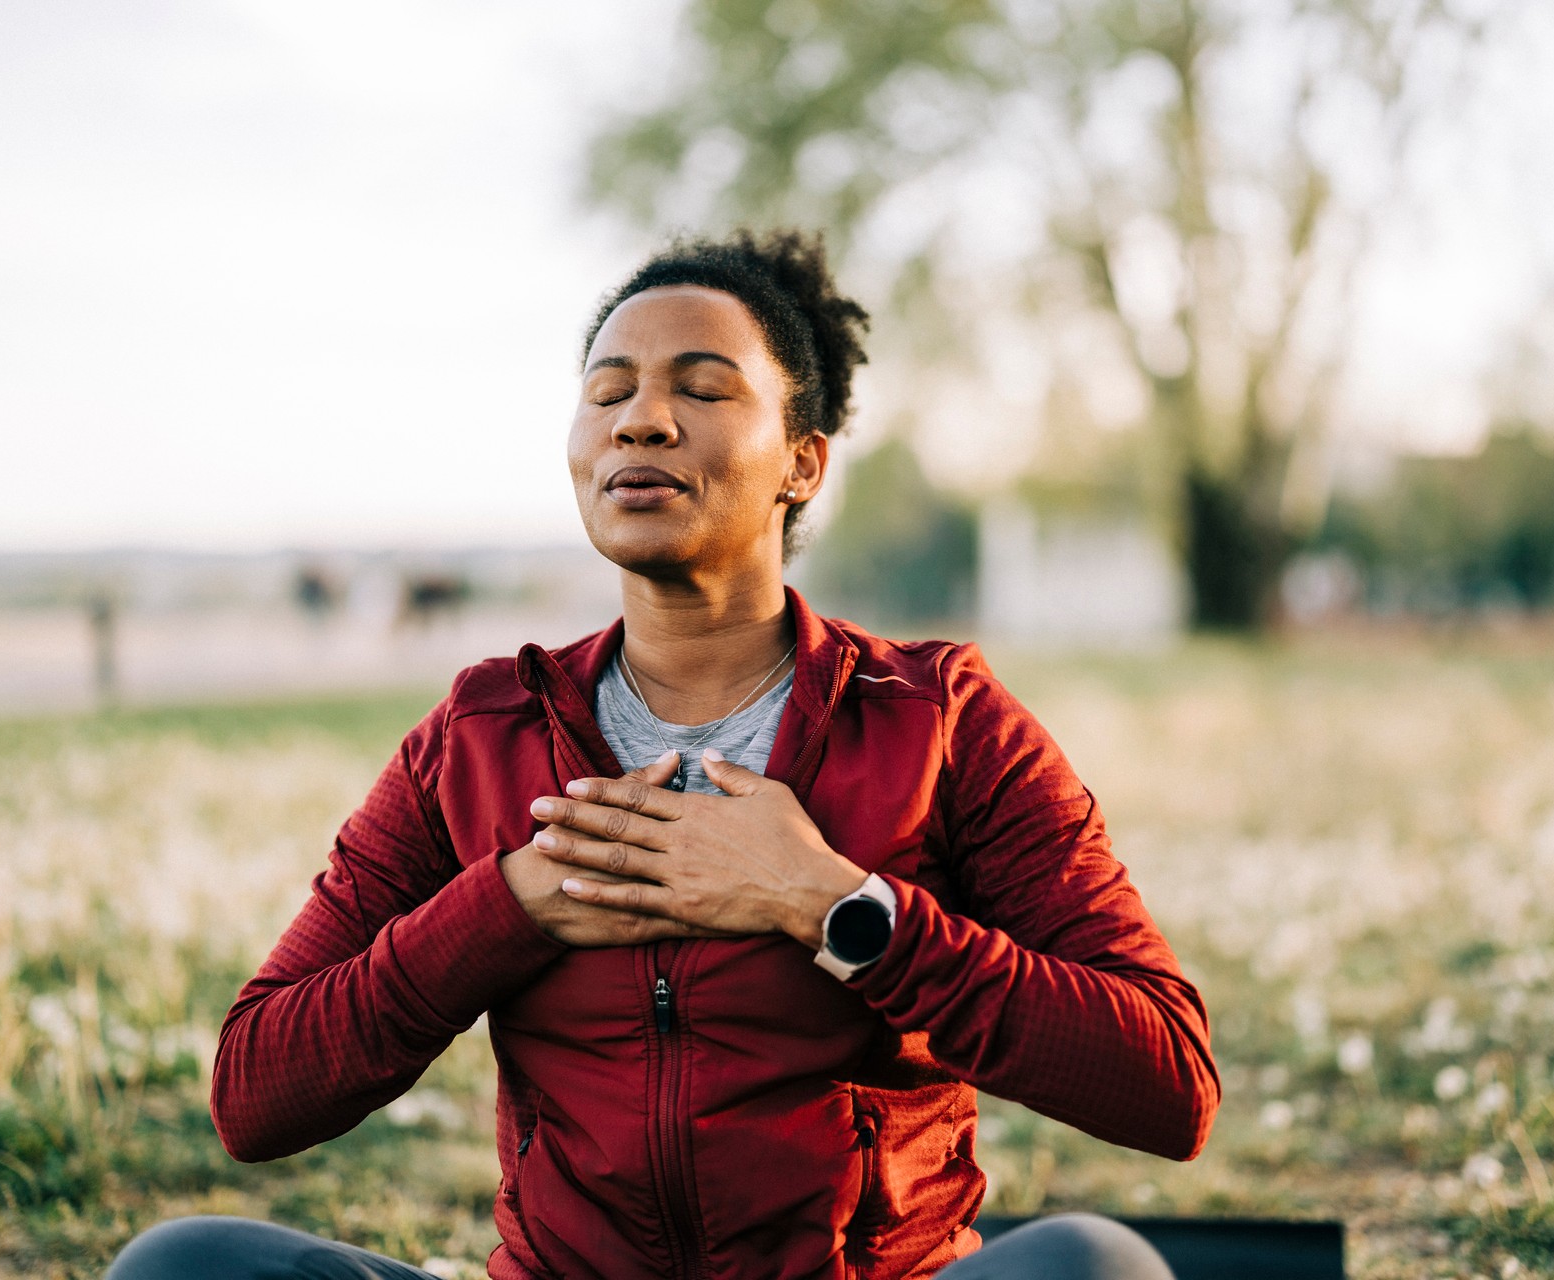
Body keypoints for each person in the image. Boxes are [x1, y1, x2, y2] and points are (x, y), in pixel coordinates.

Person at [106, 230, 1220, 1280]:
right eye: (607, 392)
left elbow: (1168, 1081)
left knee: (1095, 1264)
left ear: (802, 462)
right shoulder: (483, 733)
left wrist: (835, 904)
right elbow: (254, 1093)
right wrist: (505, 909)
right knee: (183, 1266)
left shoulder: (941, 719)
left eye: (701, 388)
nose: (640, 420)